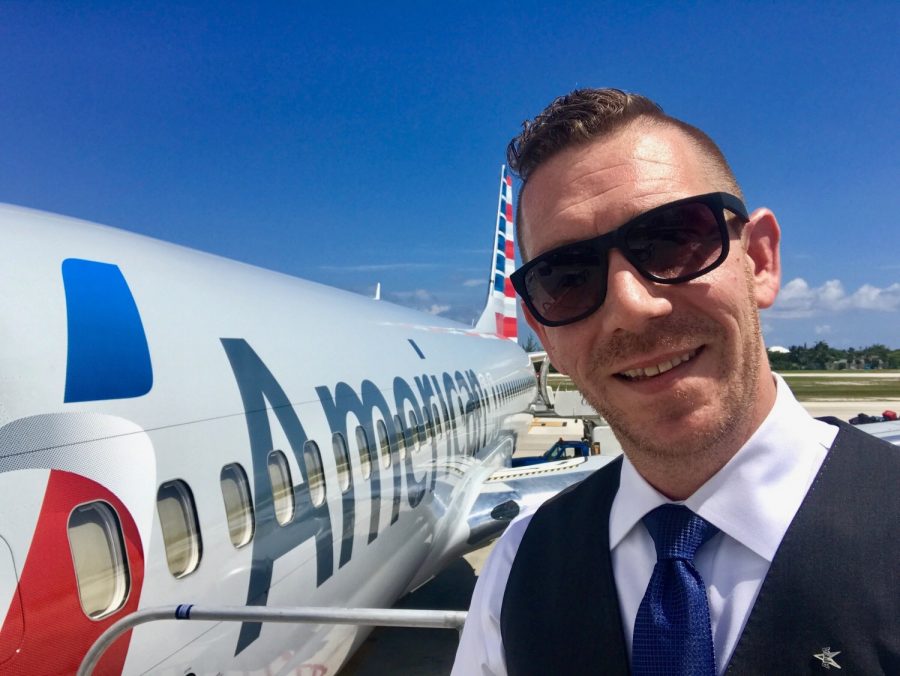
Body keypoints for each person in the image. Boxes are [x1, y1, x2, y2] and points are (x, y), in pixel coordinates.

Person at [452, 88, 900, 675]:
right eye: (568, 277)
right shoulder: (517, 571)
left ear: (759, 261)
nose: (631, 306)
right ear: (543, 331)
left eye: (671, 240)